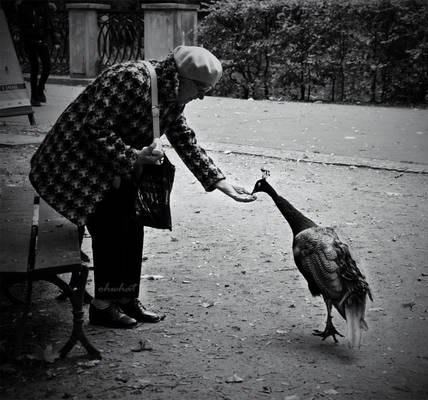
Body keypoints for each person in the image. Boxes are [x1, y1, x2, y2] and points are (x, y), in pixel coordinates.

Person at [29, 46, 257, 328]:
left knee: (132, 224)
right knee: (110, 228)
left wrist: (219, 180)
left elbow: (182, 136)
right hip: (75, 164)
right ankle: (102, 307)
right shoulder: (129, 78)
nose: (200, 97)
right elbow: (94, 128)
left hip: (116, 168)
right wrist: (132, 157)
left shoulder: (173, 93)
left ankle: (124, 299)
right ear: (179, 76)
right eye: (200, 88)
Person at [16, 0, 59, 106]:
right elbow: (19, 24)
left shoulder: (44, 5)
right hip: (29, 40)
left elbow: (50, 24)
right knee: (34, 67)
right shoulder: (24, 6)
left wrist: (55, 40)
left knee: (47, 66)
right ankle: (34, 96)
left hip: (42, 39)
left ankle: (40, 89)